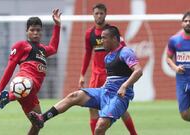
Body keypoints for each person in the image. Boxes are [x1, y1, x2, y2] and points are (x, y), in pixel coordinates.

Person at [29, 26, 143, 135]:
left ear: (114, 38)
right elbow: (112, 79)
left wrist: (124, 86)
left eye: (104, 38)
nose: (101, 41)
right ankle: (42, 118)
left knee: (100, 127)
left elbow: (138, 71)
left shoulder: (125, 52)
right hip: (105, 92)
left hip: (118, 97)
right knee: (74, 96)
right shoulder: (108, 57)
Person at [0, 9, 62, 135]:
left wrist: (57, 25)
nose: (35, 33)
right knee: (26, 83)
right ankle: (8, 97)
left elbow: (54, 48)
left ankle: (10, 97)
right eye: (32, 30)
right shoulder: (21, 46)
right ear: (27, 31)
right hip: (23, 82)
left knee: (39, 124)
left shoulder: (43, 50)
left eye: (38, 30)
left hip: (31, 93)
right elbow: (10, 68)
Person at [78, 3, 138, 135]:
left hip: (111, 75)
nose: (99, 16)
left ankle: (134, 133)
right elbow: (88, 53)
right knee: (92, 108)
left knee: (120, 109)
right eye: (96, 13)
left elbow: (123, 50)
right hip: (96, 75)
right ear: (92, 15)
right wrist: (82, 74)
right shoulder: (89, 34)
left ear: (105, 14)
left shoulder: (112, 32)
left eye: (101, 13)